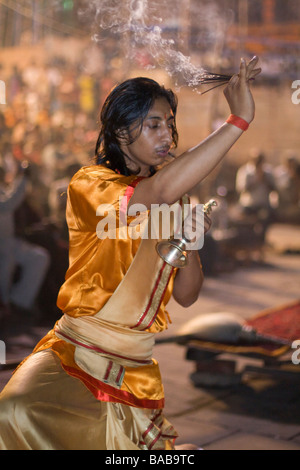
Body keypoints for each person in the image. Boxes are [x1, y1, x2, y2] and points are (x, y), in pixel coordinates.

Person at [0, 56, 261, 450]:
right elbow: (154, 195)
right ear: (122, 133)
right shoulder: (91, 184)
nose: (167, 137)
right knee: (13, 411)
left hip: (133, 366)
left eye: (170, 126)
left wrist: (189, 243)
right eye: (154, 125)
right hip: (74, 351)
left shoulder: (174, 195)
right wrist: (237, 120)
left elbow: (187, 295)